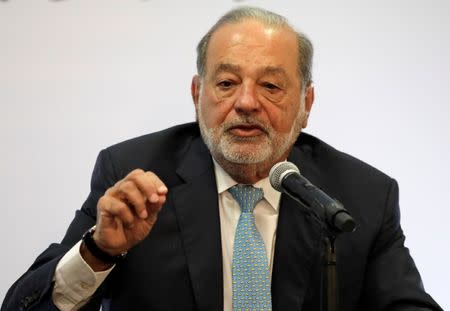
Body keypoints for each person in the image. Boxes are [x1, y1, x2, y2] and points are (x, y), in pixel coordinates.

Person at [1, 6, 442, 311]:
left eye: (271, 86)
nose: (246, 102)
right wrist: (99, 251)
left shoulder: (360, 197)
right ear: (198, 95)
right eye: (227, 83)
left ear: (306, 104)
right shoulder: (133, 175)